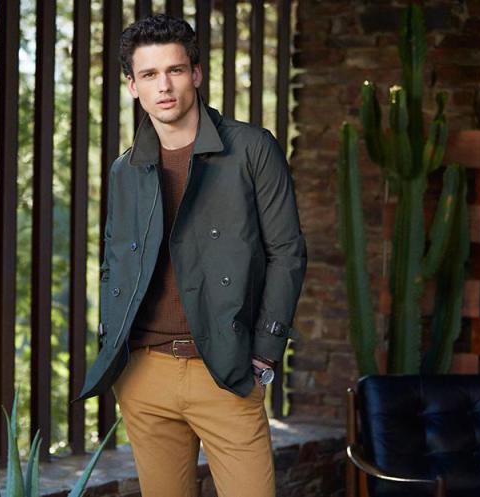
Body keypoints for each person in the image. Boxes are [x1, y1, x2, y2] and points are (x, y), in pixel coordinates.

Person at [70, 14, 307, 497]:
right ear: (133, 86)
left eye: (175, 70)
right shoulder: (125, 170)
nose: (164, 86)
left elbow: (287, 253)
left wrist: (264, 351)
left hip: (225, 369)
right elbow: (114, 263)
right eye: (149, 74)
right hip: (145, 375)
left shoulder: (252, 149)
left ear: (195, 74)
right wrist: (113, 342)